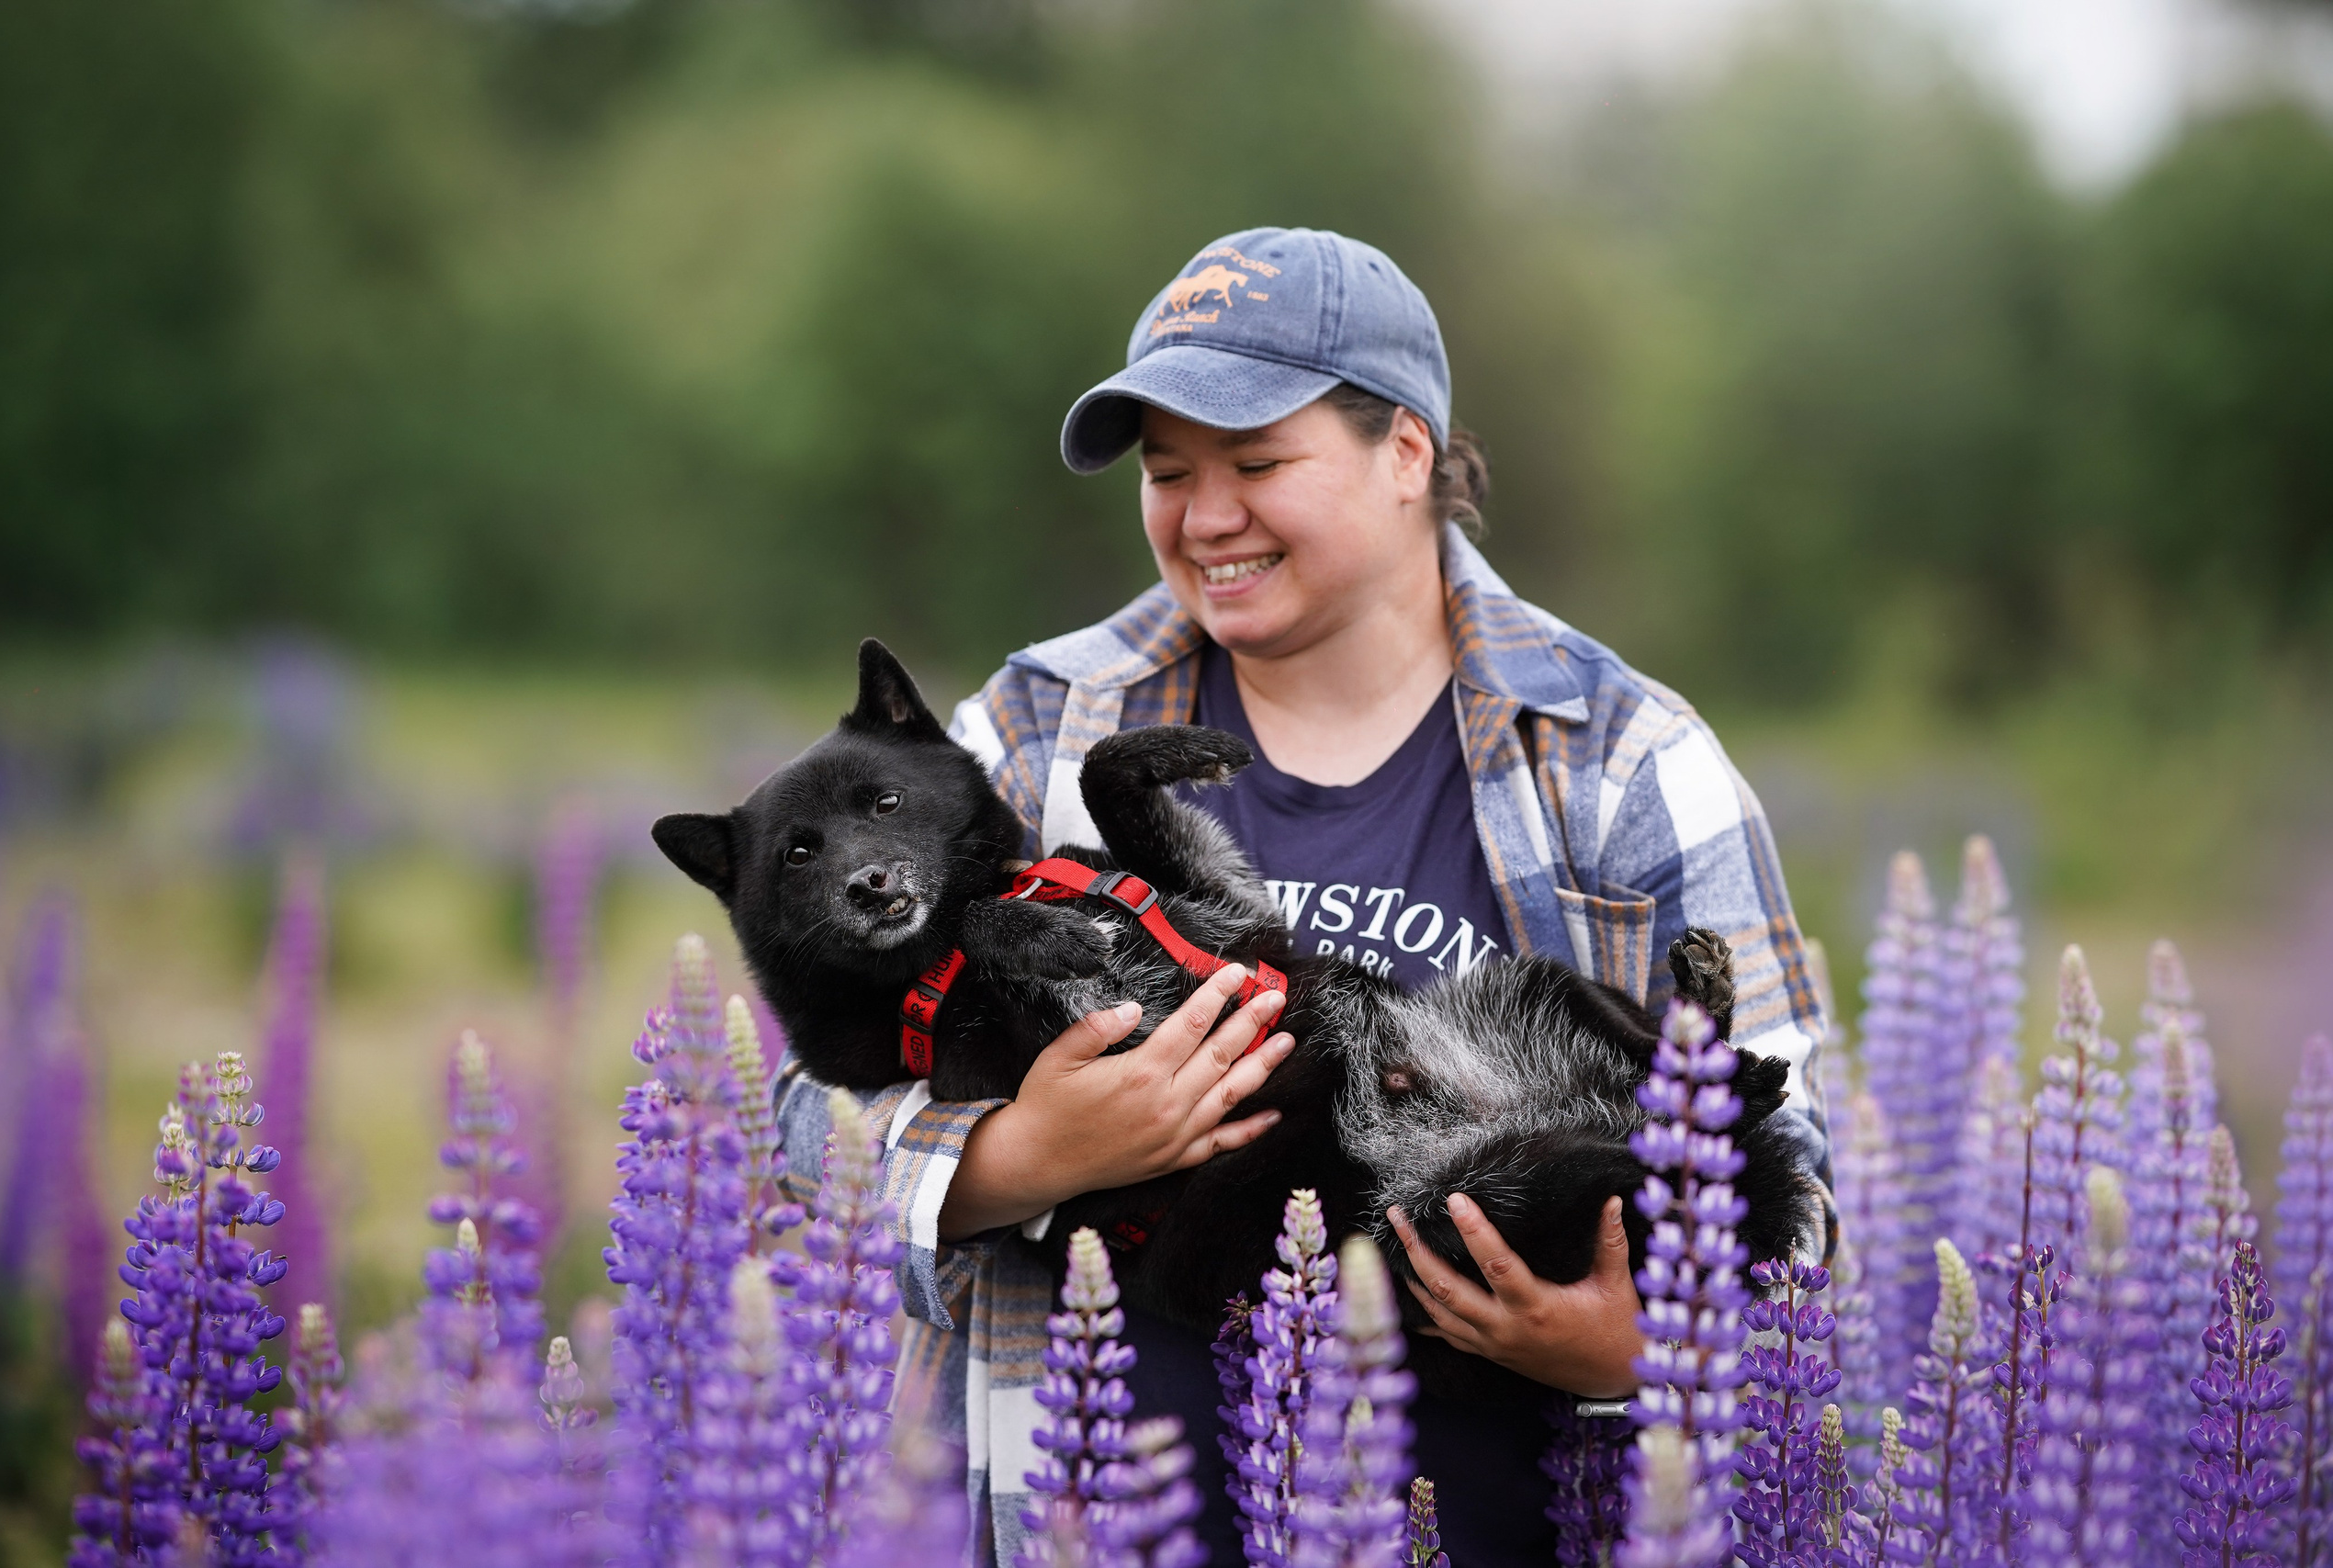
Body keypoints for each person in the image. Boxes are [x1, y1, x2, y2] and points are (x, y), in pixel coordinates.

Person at [772, 227, 1830, 1566]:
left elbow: (1802, 1191)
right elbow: (809, 1119)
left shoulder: (1619, 759)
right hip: (1111, 1524)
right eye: (1167, 474)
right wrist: (1030, 1157)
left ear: (1406, 455)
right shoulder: (1038, 734)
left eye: (1257, 464)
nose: (1205, 517)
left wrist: (1641, 1350)